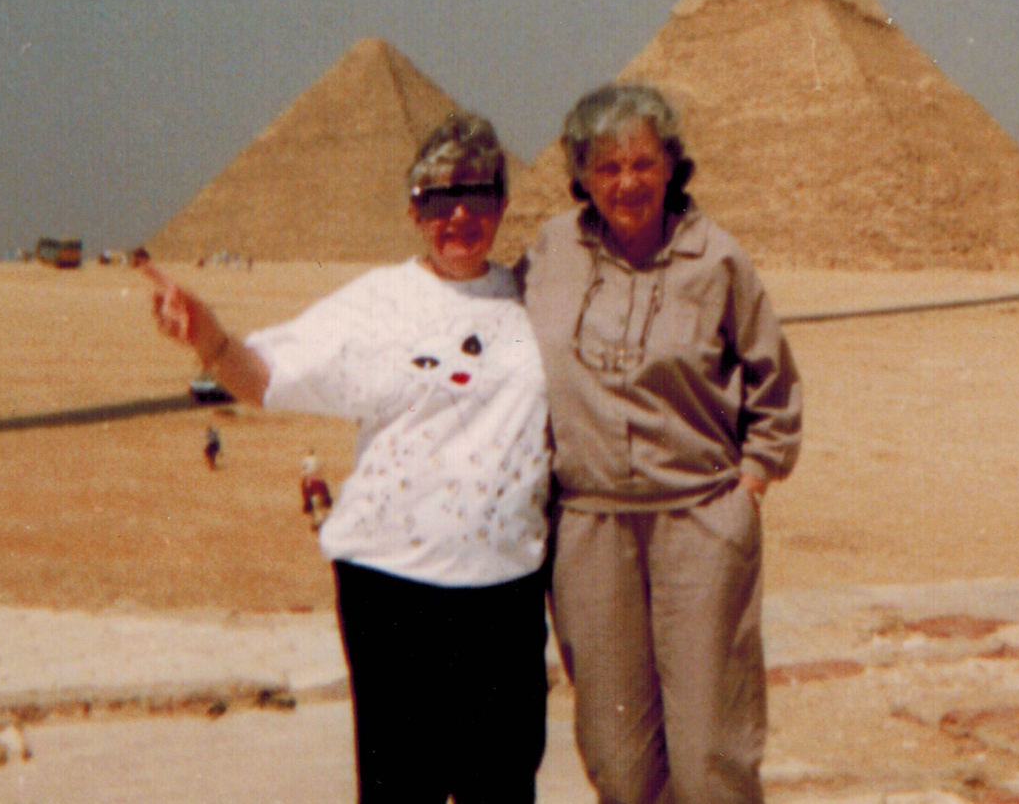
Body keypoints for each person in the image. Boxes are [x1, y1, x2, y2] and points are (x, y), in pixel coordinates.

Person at [145, 113, 551, 804]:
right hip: (392, 585)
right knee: (400, 787)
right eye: (438, 198)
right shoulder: (377, 302)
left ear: (504, 203)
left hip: (504, 588)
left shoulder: (537, 297)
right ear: (412, 209)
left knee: (502, 787)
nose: (458, 214)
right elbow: (266, 376)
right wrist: (210, 338)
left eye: (478, 194)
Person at [523, 82, 802, 804]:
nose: (627, 182)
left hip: (699, 517)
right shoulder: (550, 253)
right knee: (617, 754)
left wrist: (753, 480)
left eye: (644, 163)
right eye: (607, 166)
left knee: (711, 747)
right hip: (589, 526)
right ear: (582, 173)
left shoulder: (717, 259)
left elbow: (773, 377)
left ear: (673, 165)